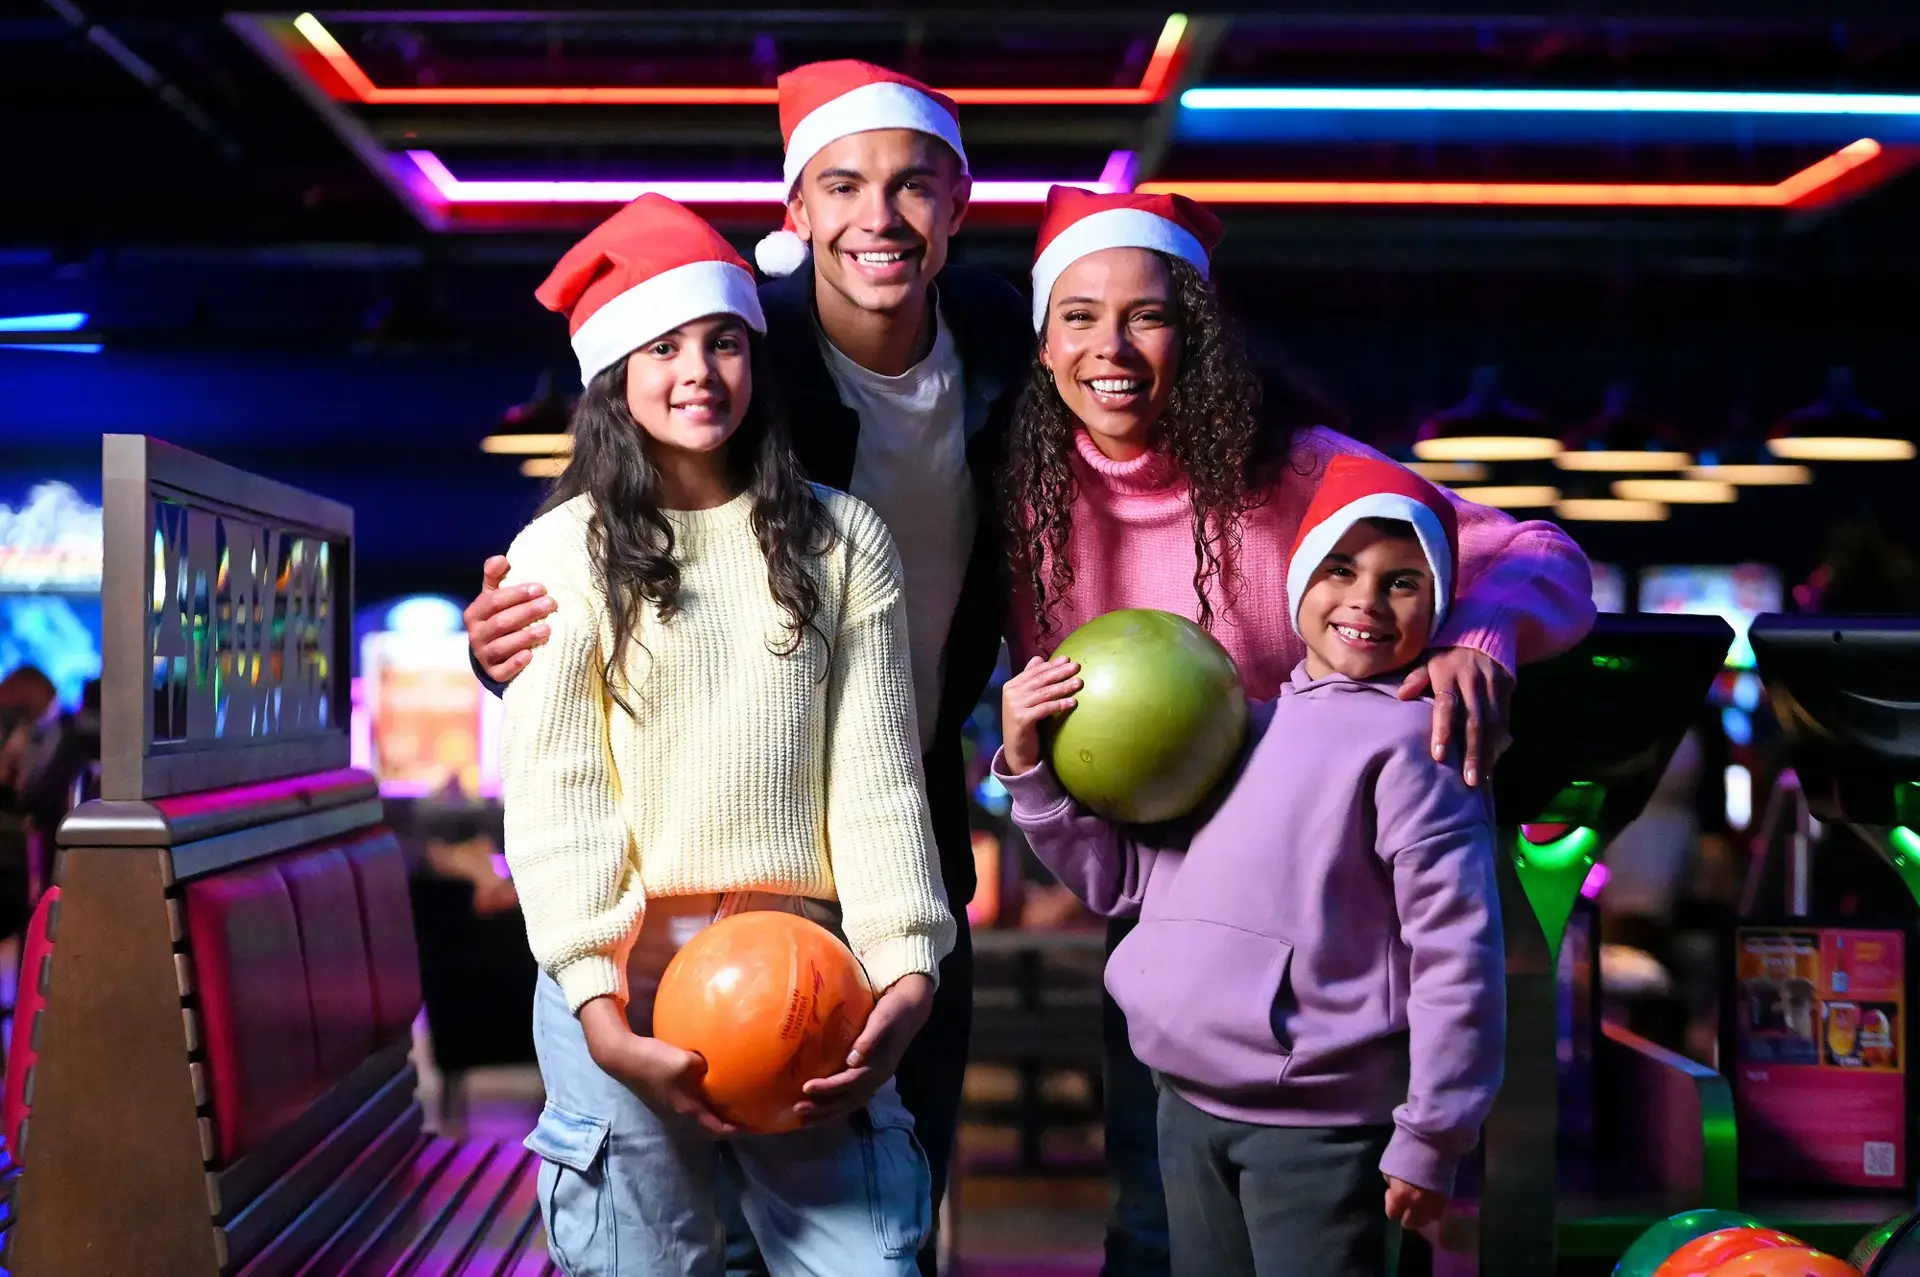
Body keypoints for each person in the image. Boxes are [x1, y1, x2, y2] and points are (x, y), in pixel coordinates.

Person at [465, 66, 1025, 1274]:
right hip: (620, 967)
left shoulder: (848, 529)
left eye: (723, 341)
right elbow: (561, 801)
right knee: (644, 1257)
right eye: (662, 347)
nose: (700, 373)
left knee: (874, 1253)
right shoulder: (561, 553)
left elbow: (874, 781)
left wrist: (906, 967)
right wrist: (606, 1017)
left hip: (812, 949)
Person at [998, 187, 1596, 1274]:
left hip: (1332, 971)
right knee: (1151, 1232)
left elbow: (1543, 556)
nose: (1111, 347)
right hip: (1174, 939)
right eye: (1078, 315)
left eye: (1148, 313)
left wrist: (1480, 631)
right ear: (1043, 345)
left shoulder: (1307, 474)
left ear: (1199, 334)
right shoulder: (1030, 500)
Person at [997, 456, 1507, 1277]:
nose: (1366, 602)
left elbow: (1460, 959)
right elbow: (1123, 884)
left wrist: (1432, 1132)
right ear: (1300, 576)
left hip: (1327, 1131)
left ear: (1439, 604)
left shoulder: (1421, 748)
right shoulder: (1239, 723)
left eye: (1403, 582)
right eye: (1340, 569)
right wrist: (1032, 778)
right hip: (1185, 1103)